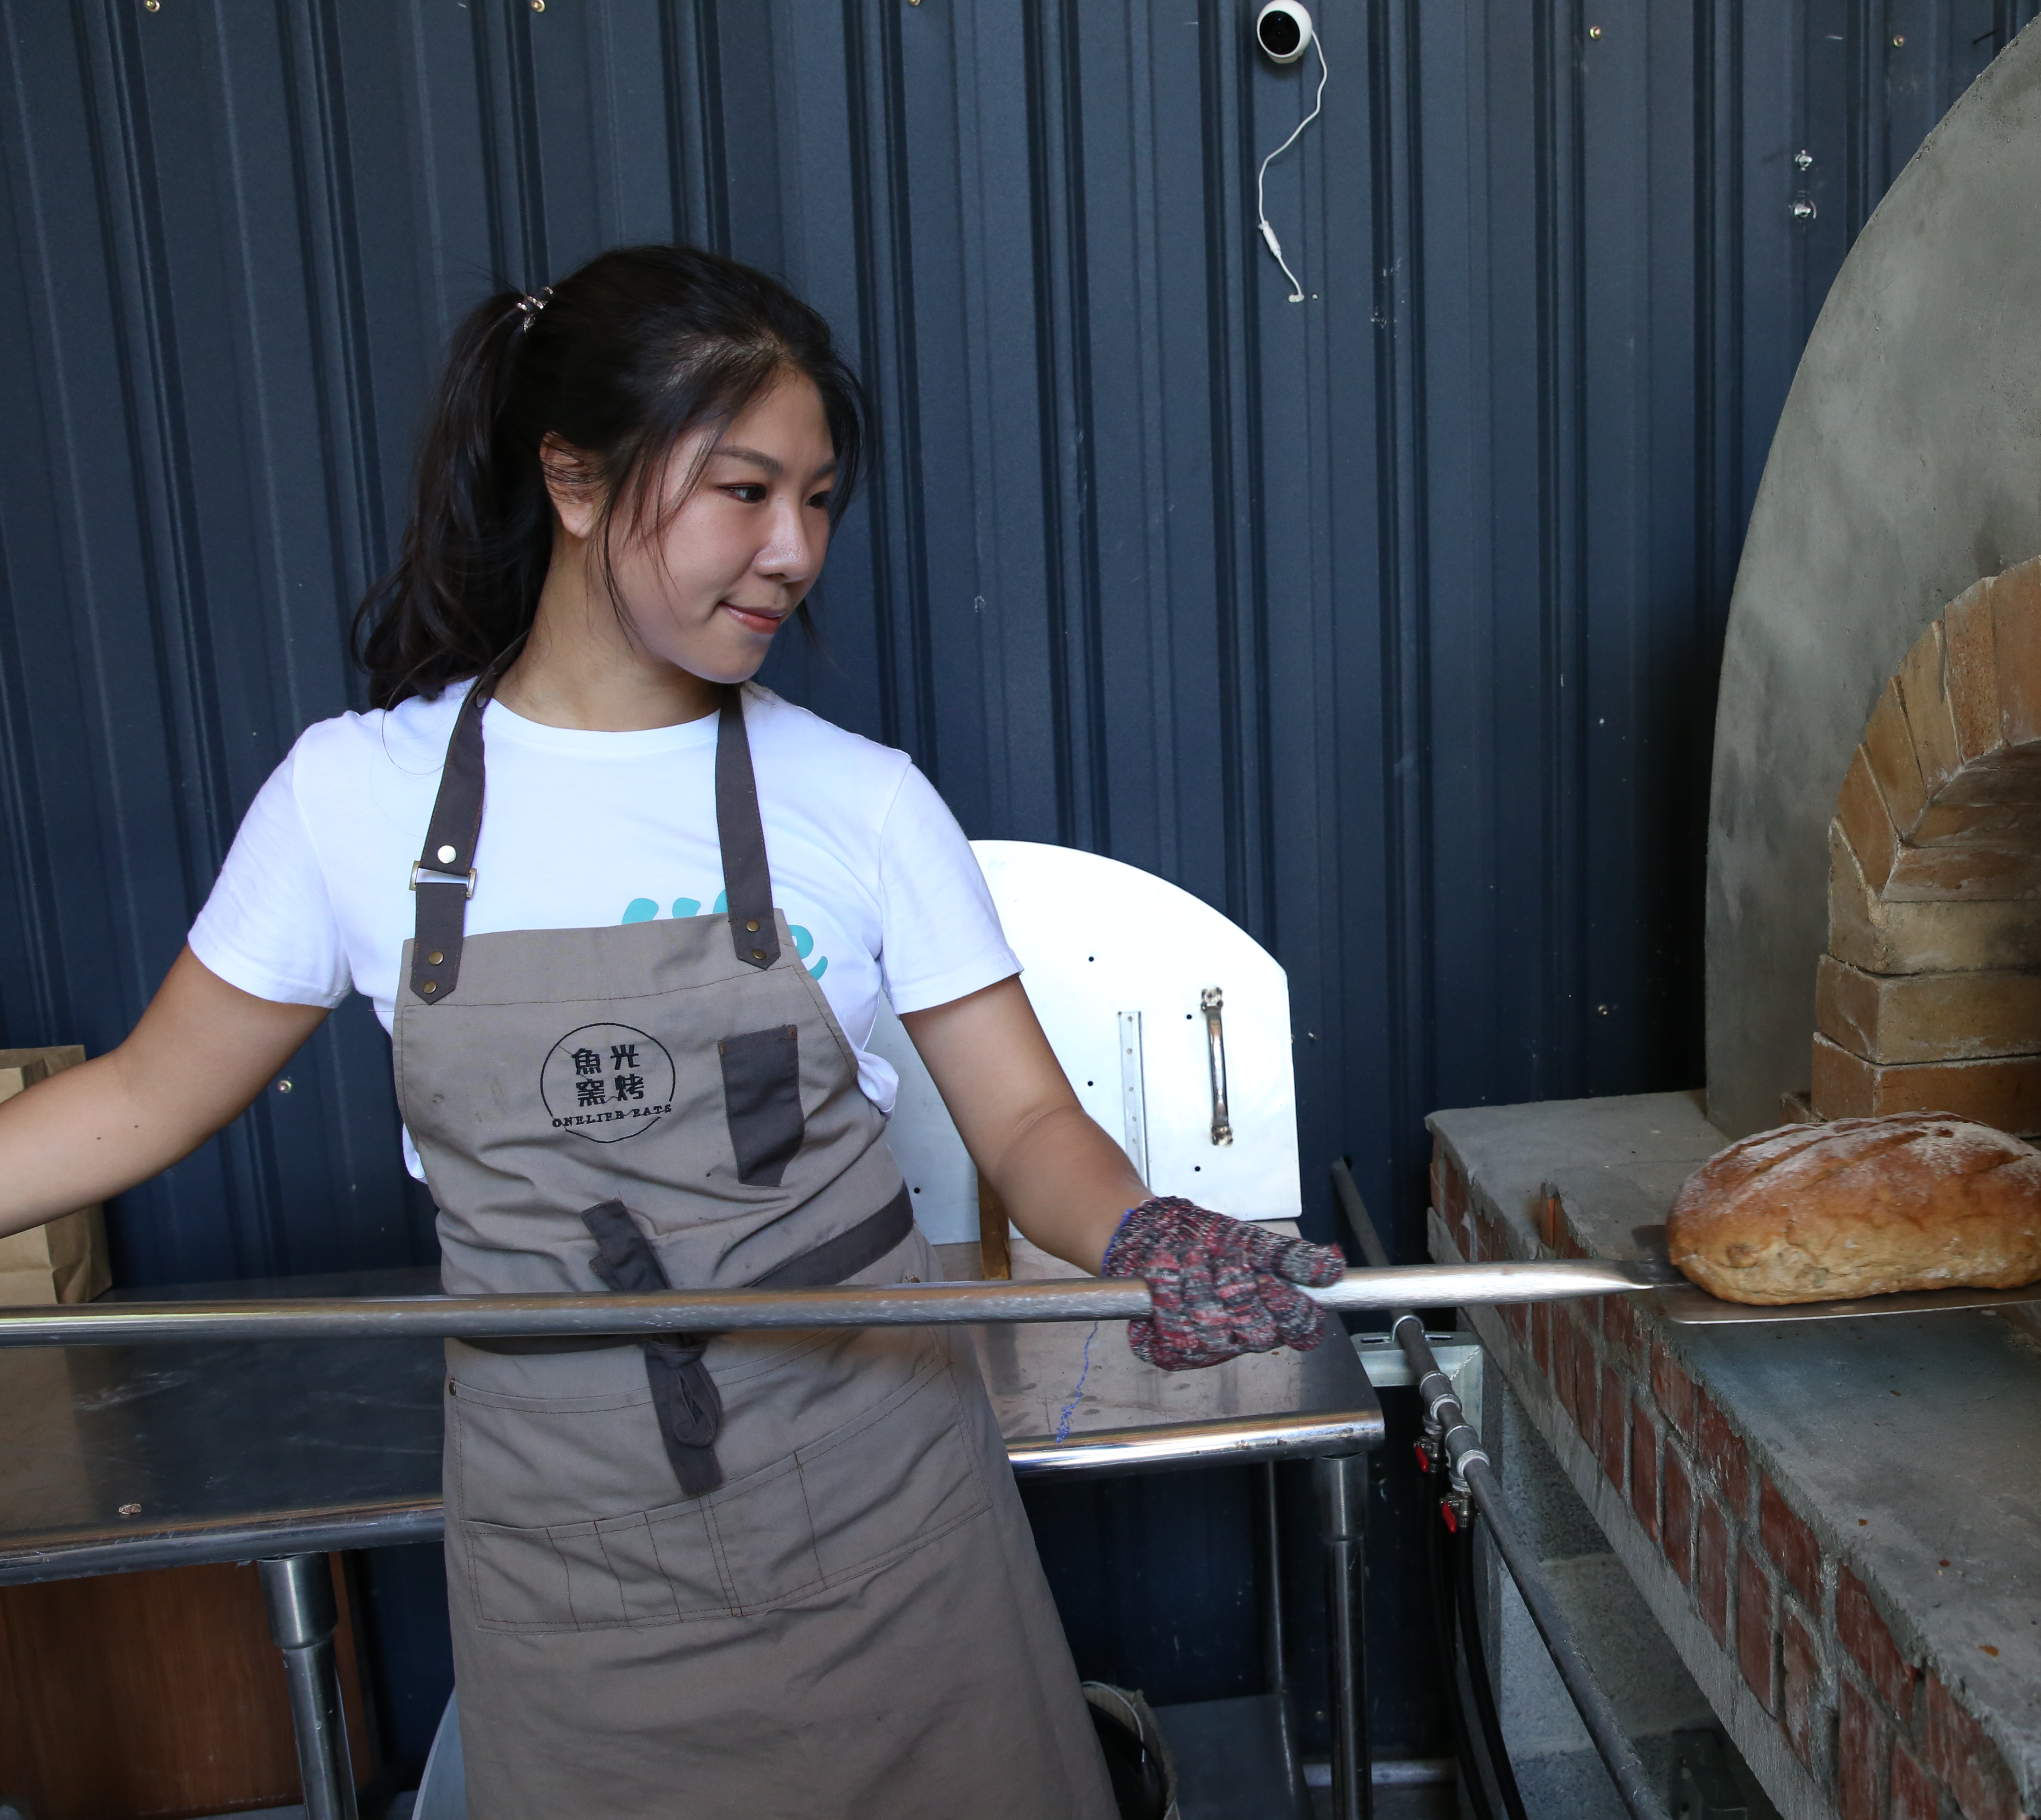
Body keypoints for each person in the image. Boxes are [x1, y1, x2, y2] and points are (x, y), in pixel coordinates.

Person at [0, 244, 1344, 1818]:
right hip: (574, 1576)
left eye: (821, 499)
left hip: (888, 1531)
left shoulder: (858, 801)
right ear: (574, 481)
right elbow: (140, 1101)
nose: (793, 550)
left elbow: (1029, 1129)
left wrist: (1146, 1231)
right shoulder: (355, 805)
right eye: (744, 491)